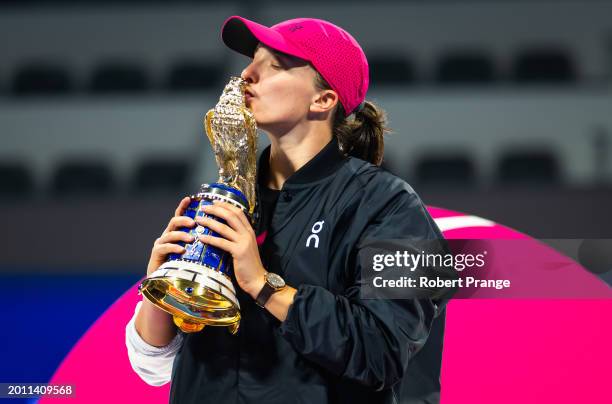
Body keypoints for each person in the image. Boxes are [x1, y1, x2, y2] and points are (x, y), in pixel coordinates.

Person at [126, 15, 455, 404]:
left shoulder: (390, 206)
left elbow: (381, 352)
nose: (247, 73)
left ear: (323, 99)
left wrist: (264, 286)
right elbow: (154, 366)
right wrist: (161, 288)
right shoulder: (227, 199)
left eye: (275, 66)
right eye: (251, 61)